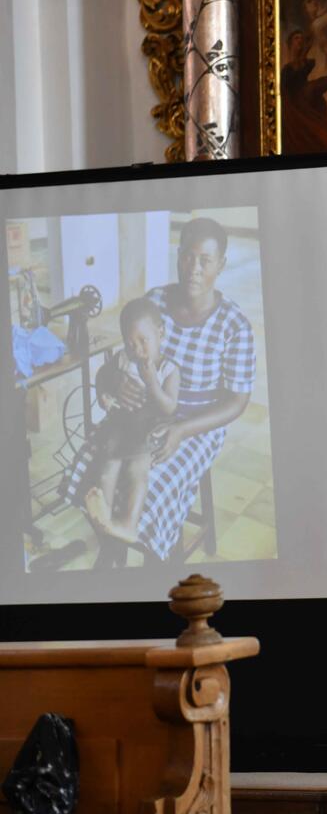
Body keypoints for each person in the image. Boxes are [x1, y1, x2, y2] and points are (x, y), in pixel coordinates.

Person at [63, 218, 256, 561]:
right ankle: (113, 546)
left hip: (197, 425)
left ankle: (132, 563)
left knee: (150, 481)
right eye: (187, 257)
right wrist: (113, 383)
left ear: (221, 265)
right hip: (140, 418)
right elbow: (121, 358)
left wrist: (181, 429)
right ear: (178, 255)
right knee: (90, 461)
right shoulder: (155, 302)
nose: (193, 269)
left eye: (205, 260)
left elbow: (238, 401)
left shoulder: (234, 325)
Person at [83, 297, 181, 544]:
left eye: (143, 341)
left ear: (160, 333)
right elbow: (105, 378)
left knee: (137, 471)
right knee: (108, 463)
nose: (136, 349)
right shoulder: (124, 358)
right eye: (130, 343)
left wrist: (152, 383)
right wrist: (105, 395)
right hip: (122, 425)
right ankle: (103, 519)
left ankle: (128, 524)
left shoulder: (168, 369)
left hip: (148, 428)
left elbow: (169, 407)